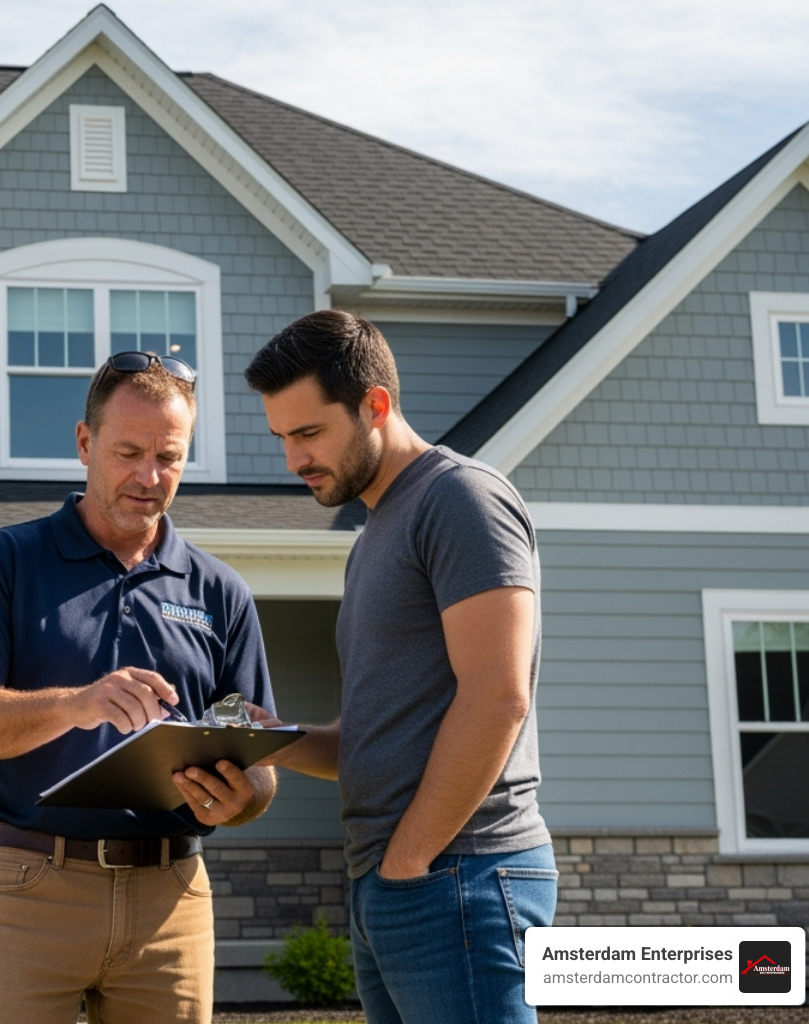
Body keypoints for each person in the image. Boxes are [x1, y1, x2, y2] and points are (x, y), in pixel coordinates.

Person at [0, 351, 279, 1024]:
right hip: (29, 889)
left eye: (169, 457)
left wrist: (242, 796)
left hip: (172, 899)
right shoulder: (4, 562)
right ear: (84, 443)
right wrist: (76, 702)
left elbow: (254, 750)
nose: (149, 477)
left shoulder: (221, 593)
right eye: (128, 452)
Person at [243, 310, 555, 1024]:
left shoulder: (461, 498)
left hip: (460, 873)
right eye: (282, 437)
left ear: (375, 405)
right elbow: (376, 735)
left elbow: (498, 695)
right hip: (396, 882)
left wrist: (409, 861)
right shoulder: (376, 532)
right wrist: (274, 738)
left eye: (309, 432)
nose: (293, 459)